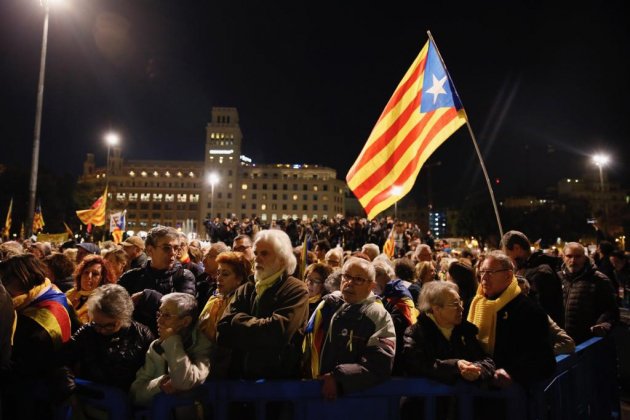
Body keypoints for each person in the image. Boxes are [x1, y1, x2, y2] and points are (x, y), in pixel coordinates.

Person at [216, 229, 309, 380]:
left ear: (282, 258)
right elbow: (222, 331)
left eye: (264, 253)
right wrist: (259, 334)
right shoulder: (247, 287)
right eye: (256, 252)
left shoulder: (296, 290)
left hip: (277, 385)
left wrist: (237, 321)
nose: (257, 258)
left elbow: (278, 333)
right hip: (241, 381)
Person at [303, 257, 396, 400]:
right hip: (316, 395)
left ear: (371, 286)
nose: (349, 283)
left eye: (358, 279)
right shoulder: (328, 305)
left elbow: (379, 364)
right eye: (346, 276)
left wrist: (338, 378)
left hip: (354, 401)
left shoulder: (379, 315)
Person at [0, 254, 78, 419]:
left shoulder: (41, 321)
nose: (4, 288)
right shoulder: (50, 292)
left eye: (6, 282)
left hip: (37, 393)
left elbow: (17, 365)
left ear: (22, 280)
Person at [467, 251, 556, 387]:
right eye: (481, 272)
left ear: (508, 275)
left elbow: (543, 360)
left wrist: (513, 373)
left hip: (511, 394)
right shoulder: (473, 304)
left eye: (490, 272)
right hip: (476, 391)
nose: (483, 278)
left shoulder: (528, 310)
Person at [57, 284, 154, 393]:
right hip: (93, 393)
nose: (101, 330)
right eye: (96, 323)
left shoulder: (142, 335)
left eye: (109, 325)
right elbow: (61, 361)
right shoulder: (87, 332)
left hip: (129, 396)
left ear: (124, 317)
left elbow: (151, 372)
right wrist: (69, 384)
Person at [403, 281, 495, 383]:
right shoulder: (416, 333)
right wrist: (455, 366)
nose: (461, 308)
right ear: (437, 309)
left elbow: (486, 360)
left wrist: (477, 370)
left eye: (460, 302)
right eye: (455, 304)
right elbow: (417, 366)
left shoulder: (466, 330)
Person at [131, 293, 211, 406]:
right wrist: (160, 384)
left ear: (185, 321)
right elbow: (136, 394)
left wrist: (172, 340)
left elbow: (183, 382)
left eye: (167, 315)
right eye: (159, 314)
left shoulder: (202, 346)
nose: (159, 321)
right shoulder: (156, 347)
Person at [118, 226, 196, 336]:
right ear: (150, 250)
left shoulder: (184, 277)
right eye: (166, 248)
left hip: (166, 344)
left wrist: (148, 296)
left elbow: (184, 311)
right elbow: (116, 310)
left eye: (176, 248)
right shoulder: (131, 277)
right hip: (134, 342)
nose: (173, 253)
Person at [198, 252, 251, 378]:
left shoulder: (244, 303)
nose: (219, 278)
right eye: (218, 273)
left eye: (225, 274)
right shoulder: (214, 299)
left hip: (229, 370)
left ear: (239, 279)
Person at [558, 242, 619, 344]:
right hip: (561, 342)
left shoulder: (599, 280)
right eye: (569, 256)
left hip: (586, 342)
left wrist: (602, 324)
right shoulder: (557, 278)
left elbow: (611, 309)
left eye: (578, 256)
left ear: (584, 257)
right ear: (563, 257)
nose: (573, 260)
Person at [501, 230, 564, 325]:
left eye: (508, 255)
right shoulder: (525, 269)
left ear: (517, 248)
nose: (508, 261)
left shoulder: (541, 272)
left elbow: (542, 311)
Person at [66, 255, 115, 324]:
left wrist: (71, 313)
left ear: (102, 279)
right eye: (86, 272)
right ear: (80, 274)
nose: (89, 277)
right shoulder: (70, 293)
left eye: (95, 274)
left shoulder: (103, 302)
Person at [196, 242, 229, 310]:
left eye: (210, 256)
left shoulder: (227, 285)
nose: (204, 261)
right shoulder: (202, 279)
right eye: (205, 256)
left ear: (221, 259)